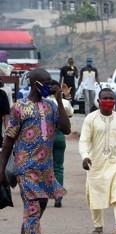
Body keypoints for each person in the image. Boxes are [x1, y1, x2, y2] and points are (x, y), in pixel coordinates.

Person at [0, 68, 71, 234]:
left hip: (45, 169)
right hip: (25, 169)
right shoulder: (19, 108)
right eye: (46, 82)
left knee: (38, 208)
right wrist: (1, 169)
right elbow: (8, 141)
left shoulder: (51, 106)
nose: (50, 85)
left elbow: (65, 129)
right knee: (32, 208)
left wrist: (59, 99)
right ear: (34, 83)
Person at [79, 88, 116, 234]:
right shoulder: (91, 119)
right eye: (105, 98)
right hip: (95, 163)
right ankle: (98, 225)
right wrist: (85, 156)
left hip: (115, 163)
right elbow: (84, 140)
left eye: (111, 98)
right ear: (98, 101)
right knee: (94, 194)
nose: (108, 101)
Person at [48, 80, 74, 208]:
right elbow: (70, 114)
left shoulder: (43, 102)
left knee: (43, 166)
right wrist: (66, 97)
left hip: (45, 136)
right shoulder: (65, 103)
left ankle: (42, 194)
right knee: (58, 167)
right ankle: (58, 196)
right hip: (59, 136)